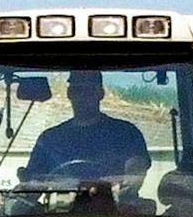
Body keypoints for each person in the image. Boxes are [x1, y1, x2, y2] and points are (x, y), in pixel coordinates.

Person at [23, 70, 151, 192]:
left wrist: (122, 189)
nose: (82, 96)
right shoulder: (49, 139)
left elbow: (135, 171)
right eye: (77, 90)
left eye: (89, 90)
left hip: (115, 211)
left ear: (101, 94)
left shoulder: (126, 133)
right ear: (69, 93)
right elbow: (33, 184)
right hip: (59, 213)